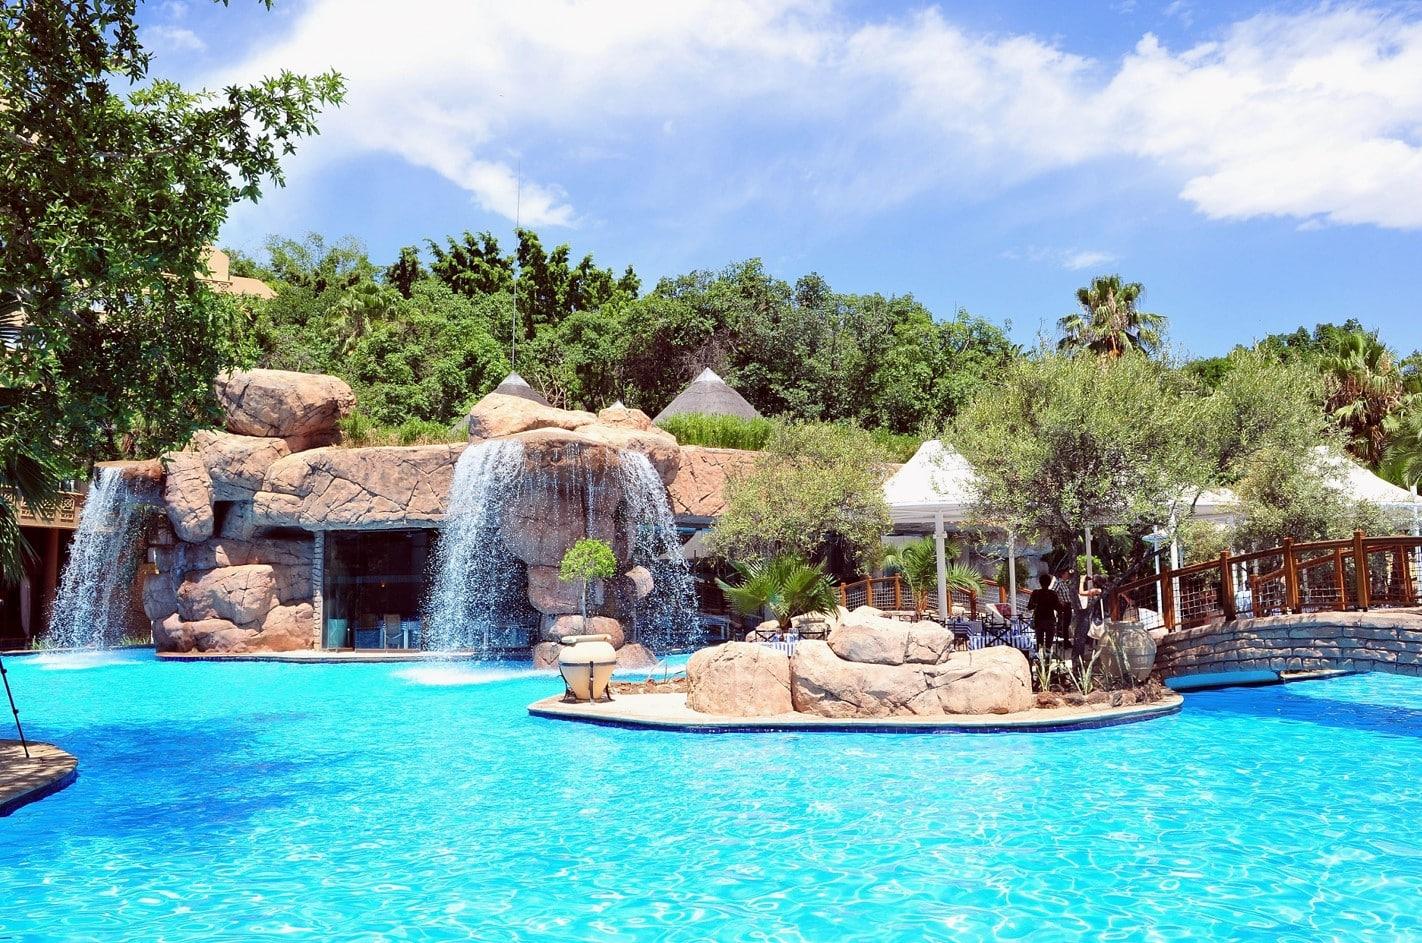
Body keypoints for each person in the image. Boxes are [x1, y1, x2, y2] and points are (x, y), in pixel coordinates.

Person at [1026, 573, 1069, 654]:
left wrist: (1037, 604)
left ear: (1040, 582)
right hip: (1049, 620)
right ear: (1049, 583)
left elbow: (1029, 607)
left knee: (1039, 643)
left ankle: (1040, 661)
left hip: (1038, 620)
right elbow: (1059, 608)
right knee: (1049, 644)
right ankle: (1047, 663)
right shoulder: (1052, 594)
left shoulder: (1035, 593)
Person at [1072, 573, 1106, 672]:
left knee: (1085, 634)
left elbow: (1081, 592)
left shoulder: (1097, 591)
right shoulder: (1106, 590)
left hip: (1097, 617)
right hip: (1103, 617)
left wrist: (1082, 580)